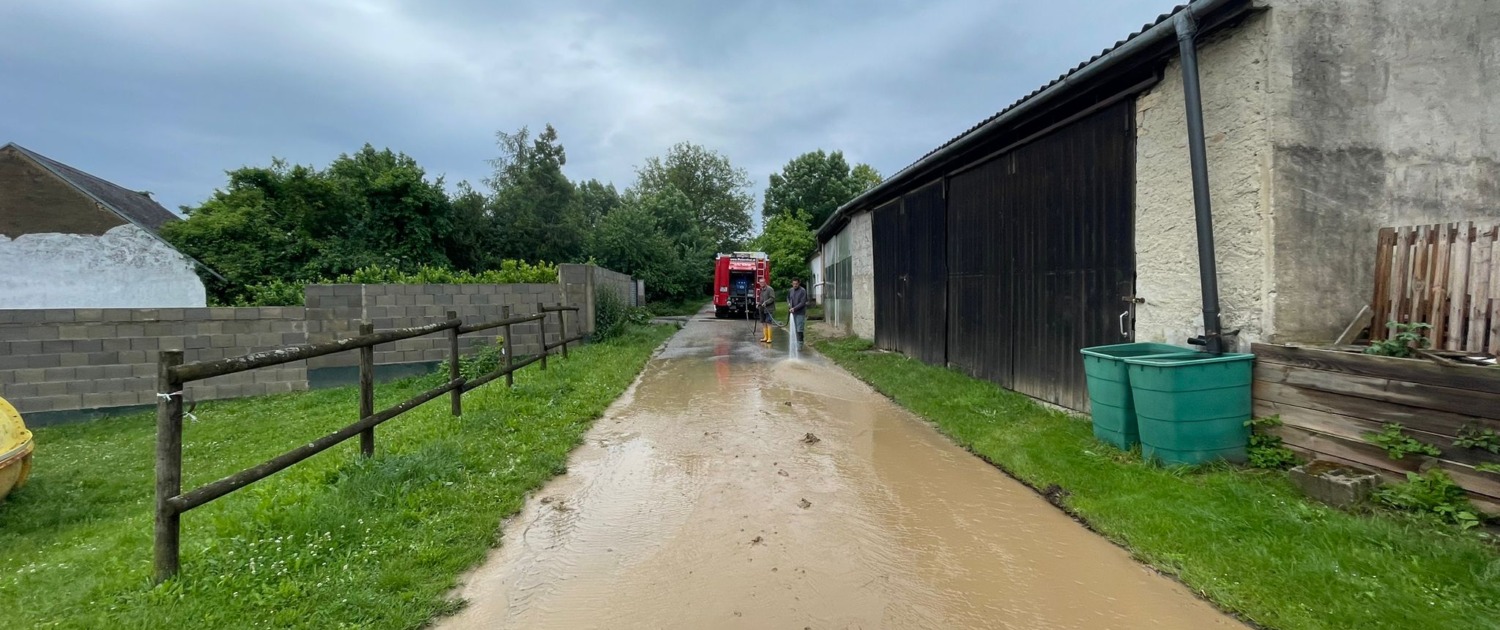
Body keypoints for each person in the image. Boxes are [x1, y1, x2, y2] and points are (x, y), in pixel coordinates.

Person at [787, 278, 808, 345]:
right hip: (793, 313)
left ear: (799, 283)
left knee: (799, 329)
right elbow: (788, 298)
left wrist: (794, 308)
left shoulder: (802, 291)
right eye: (793, 284)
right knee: (794, 328)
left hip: (800, 313)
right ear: (792, 284)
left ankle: (800, 344)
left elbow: (802, 302)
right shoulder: (791, 290)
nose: (795, 285)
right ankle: (795, 343)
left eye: (796, 284)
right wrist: (789, 304)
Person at [756, 278, 776, 344]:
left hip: (769, 309)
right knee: (763, 322)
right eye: (760, 282)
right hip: (762, 309)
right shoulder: (761, 290)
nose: (761, 283)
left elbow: (772, 298)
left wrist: (766, 302)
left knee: (768, 322)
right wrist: (759, 303)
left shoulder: (770, 289)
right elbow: (761, 299)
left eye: (763, 282)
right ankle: (765, 337)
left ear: (765, 282)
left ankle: (769, 338)